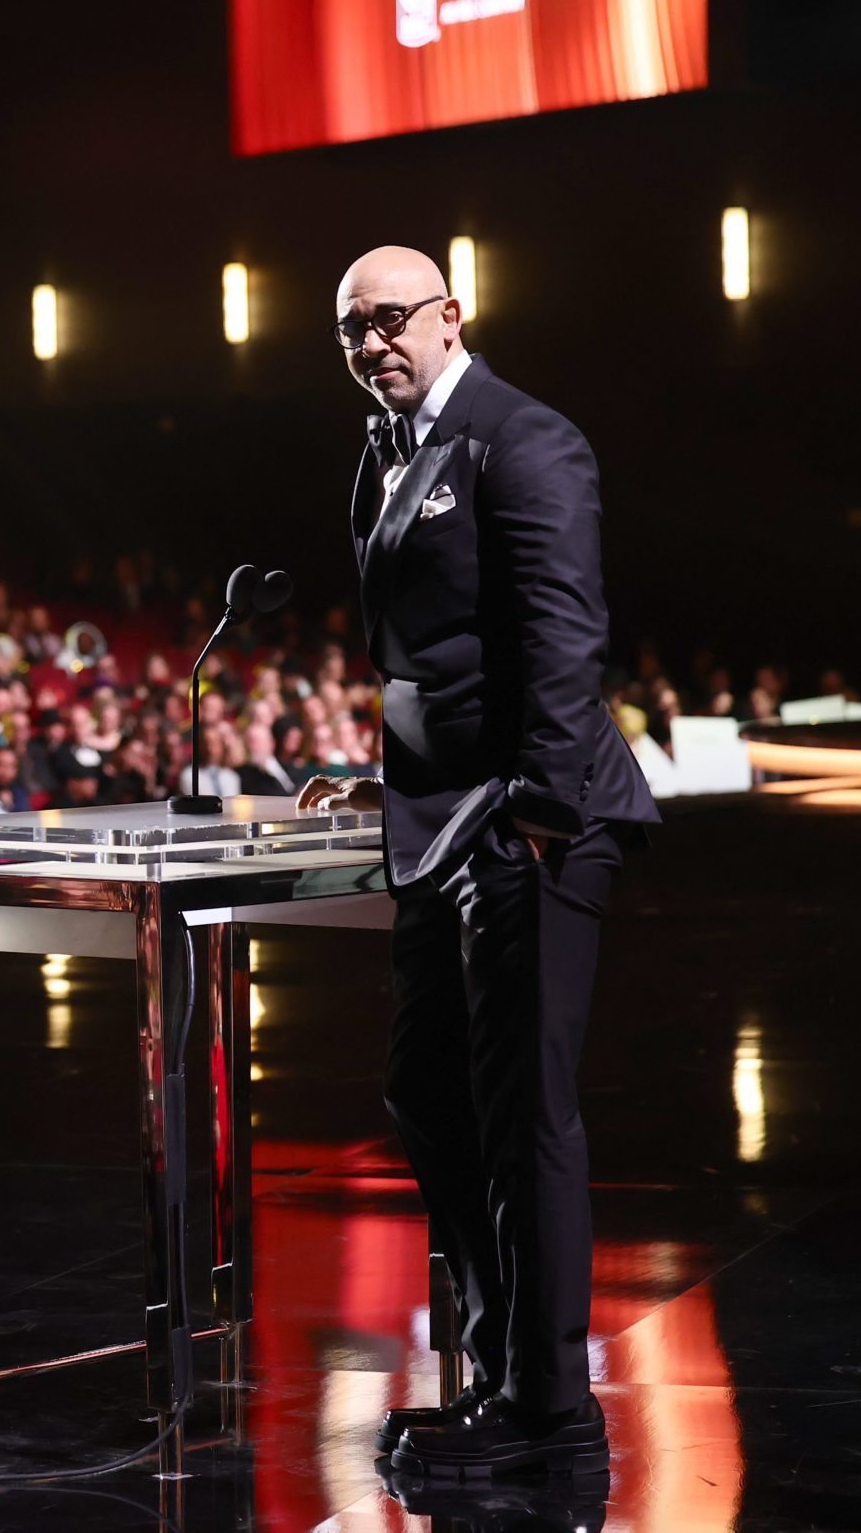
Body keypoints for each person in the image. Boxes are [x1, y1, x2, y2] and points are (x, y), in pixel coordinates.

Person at [299, 244, 659, 1480]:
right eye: (352, 330)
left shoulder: (524, 436)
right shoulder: (384, 447)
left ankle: (552, 1407)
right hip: (441, 811)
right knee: (429, 1094)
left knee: (524, 1117)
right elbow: (430, 655)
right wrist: (387, 771)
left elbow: (563, 633)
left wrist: (543, 808)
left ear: (452, 314)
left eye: (390, 319)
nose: (371, 344)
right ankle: (497, 1359)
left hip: (529, 814)